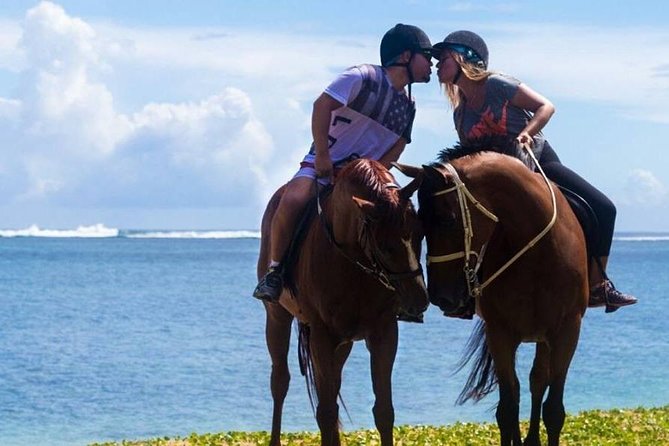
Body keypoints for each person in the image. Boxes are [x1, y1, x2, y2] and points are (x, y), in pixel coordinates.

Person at [431, 30, 637, 312]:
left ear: (464, 58)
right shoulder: (461, 114)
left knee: (604, 208)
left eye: (442, 58)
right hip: (500, 189)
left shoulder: (497, 85)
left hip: (539, 164)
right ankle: (468, 296)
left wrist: (527, 133)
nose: (436, 64)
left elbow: (546, 106)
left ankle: (599, 285)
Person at [253, 24, 433, 305]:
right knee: (293, 198)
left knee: (402, 216)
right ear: (406, 56)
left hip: (365, 179)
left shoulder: (409, 106)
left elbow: (396, 148)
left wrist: (372, 177)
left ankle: (401, 290)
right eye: (427, 55)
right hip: (324, 164)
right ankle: (275, 272)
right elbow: (321, 106)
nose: (432, 62)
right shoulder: (361, 77)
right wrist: (323, 155)